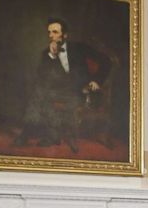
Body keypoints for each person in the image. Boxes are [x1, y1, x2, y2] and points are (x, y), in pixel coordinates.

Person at [16, 17, 110, 152]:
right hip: (59, 92)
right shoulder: (46, 54)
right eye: (49, 32)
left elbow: (106, 61)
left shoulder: (80, 48)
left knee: (40, 95)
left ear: (64, 35)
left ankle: (36, 134)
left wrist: (97, 80)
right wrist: (52, 57)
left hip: (81, 91)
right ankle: (49, 134)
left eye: (54, 32)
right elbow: (41, 78)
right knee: (39, 92)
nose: (50, 36)